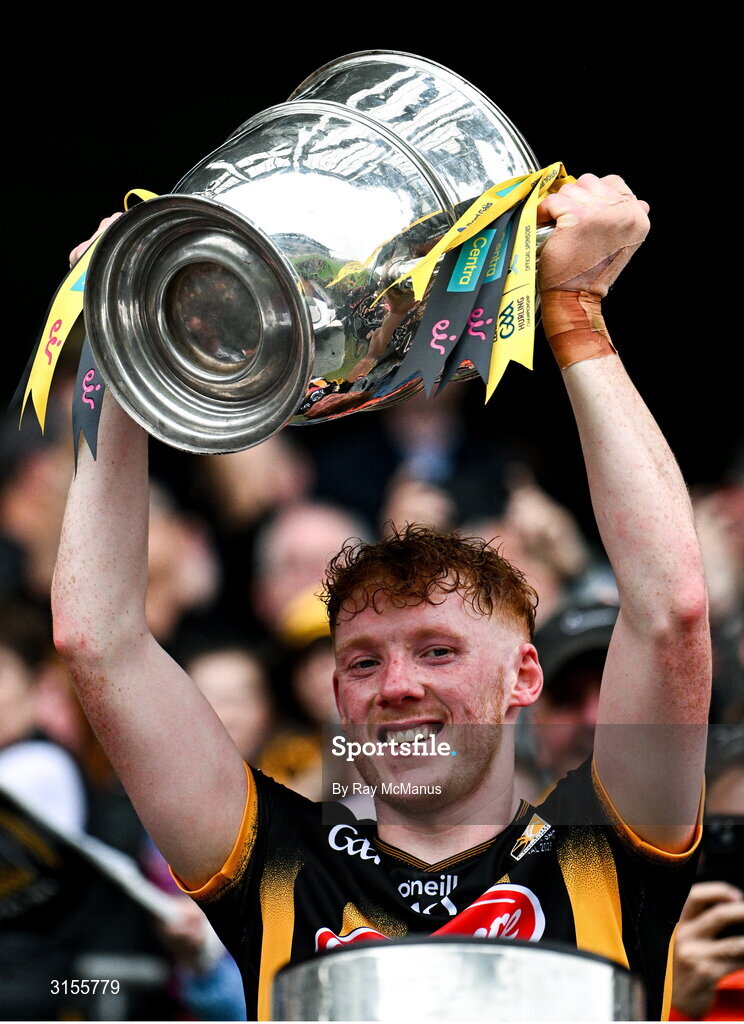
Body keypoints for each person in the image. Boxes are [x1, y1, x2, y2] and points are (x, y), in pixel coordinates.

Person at [52, 174, 710, 1021]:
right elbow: (97, 639)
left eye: (438, 649)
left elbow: (673, 609)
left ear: (525, 676)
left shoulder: (600, 847)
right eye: (364, 660)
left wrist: (573, 307)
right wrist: (123, 349)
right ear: (336, 696)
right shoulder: (279, 859)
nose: (396, 683)